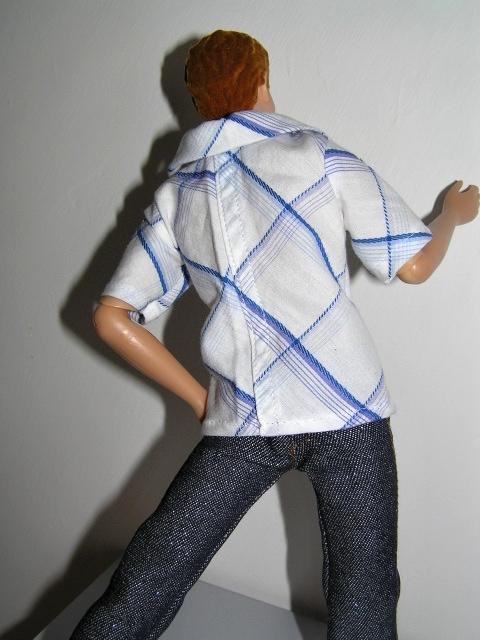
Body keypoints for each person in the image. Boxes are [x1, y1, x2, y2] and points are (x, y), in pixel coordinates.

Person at [69, 29, 479, 640]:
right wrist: (450, 216)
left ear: (200, 101)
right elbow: (413, 266)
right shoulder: (316, 155)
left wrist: (202, 401)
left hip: (245, 417)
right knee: (364, 591)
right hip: (347, 404)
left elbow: (112, 316)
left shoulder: (178, 193)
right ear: (262, 80)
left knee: (156, 567)